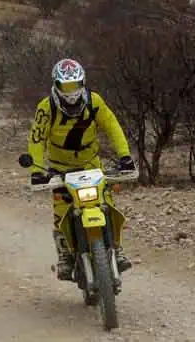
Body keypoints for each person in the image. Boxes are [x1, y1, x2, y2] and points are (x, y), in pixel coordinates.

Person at [26, 58, 137, 281]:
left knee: (107, 203)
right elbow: (36, 139)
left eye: (74, 86)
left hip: (91, 165)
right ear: (56, 86)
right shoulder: (46, 108)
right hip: (60, 169)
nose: (71, 92)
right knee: (61, 212)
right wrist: (37, 170)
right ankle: (65, 255)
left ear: (83, 83)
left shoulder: (95, 102)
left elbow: (113, 126)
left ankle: (117, 246)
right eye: (66, 87)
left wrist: (125, 156)